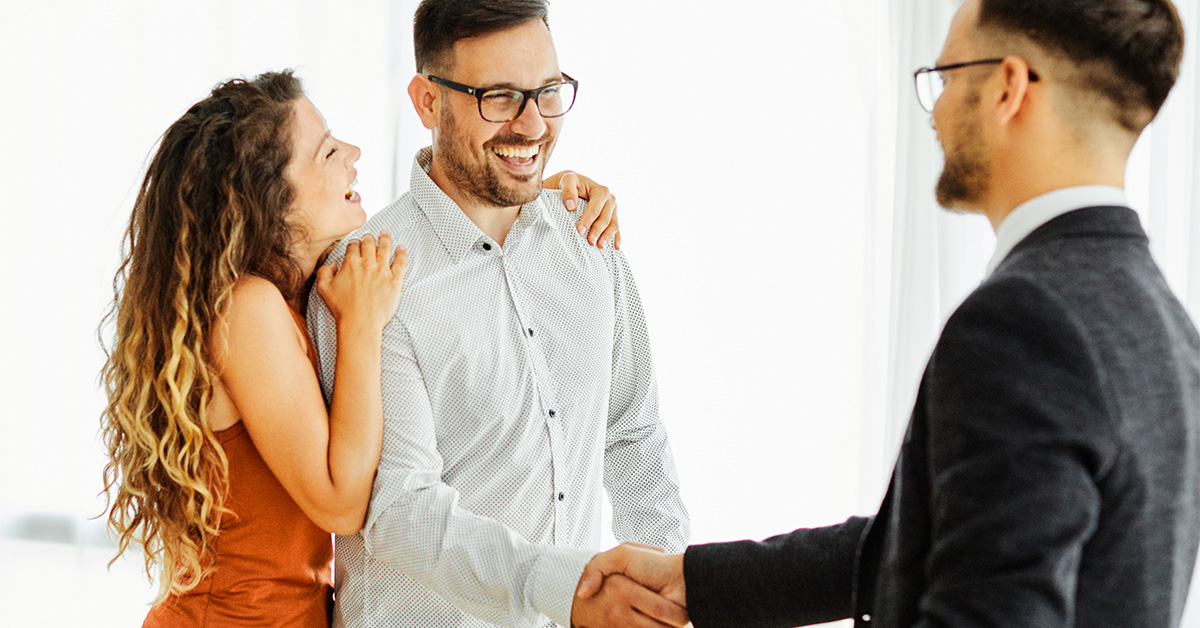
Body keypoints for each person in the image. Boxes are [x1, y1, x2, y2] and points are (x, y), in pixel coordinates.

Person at [576, 1, 1200, 627]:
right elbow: (951, 535)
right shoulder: (1165, 324)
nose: (937, 110)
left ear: (1008, 87)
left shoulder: (1023, 322)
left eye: (948, 77)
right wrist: (696, 582)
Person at [99, 70, 623, 627]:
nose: (352, 153)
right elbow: (341, 503)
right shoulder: (247, 308)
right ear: (268, 198)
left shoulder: (293, 297)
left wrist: (535, 193)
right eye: (326, 152)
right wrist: (362, 326)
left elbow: (435, 229)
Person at [305, 2, 691, 628]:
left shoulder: (590, 236)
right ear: (428, 102)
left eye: (548, 92)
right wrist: (572, 591)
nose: (533, 125)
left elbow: (631, 433)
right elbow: (401, 507)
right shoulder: (368, 276)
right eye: (501, 97)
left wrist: (665, 588)